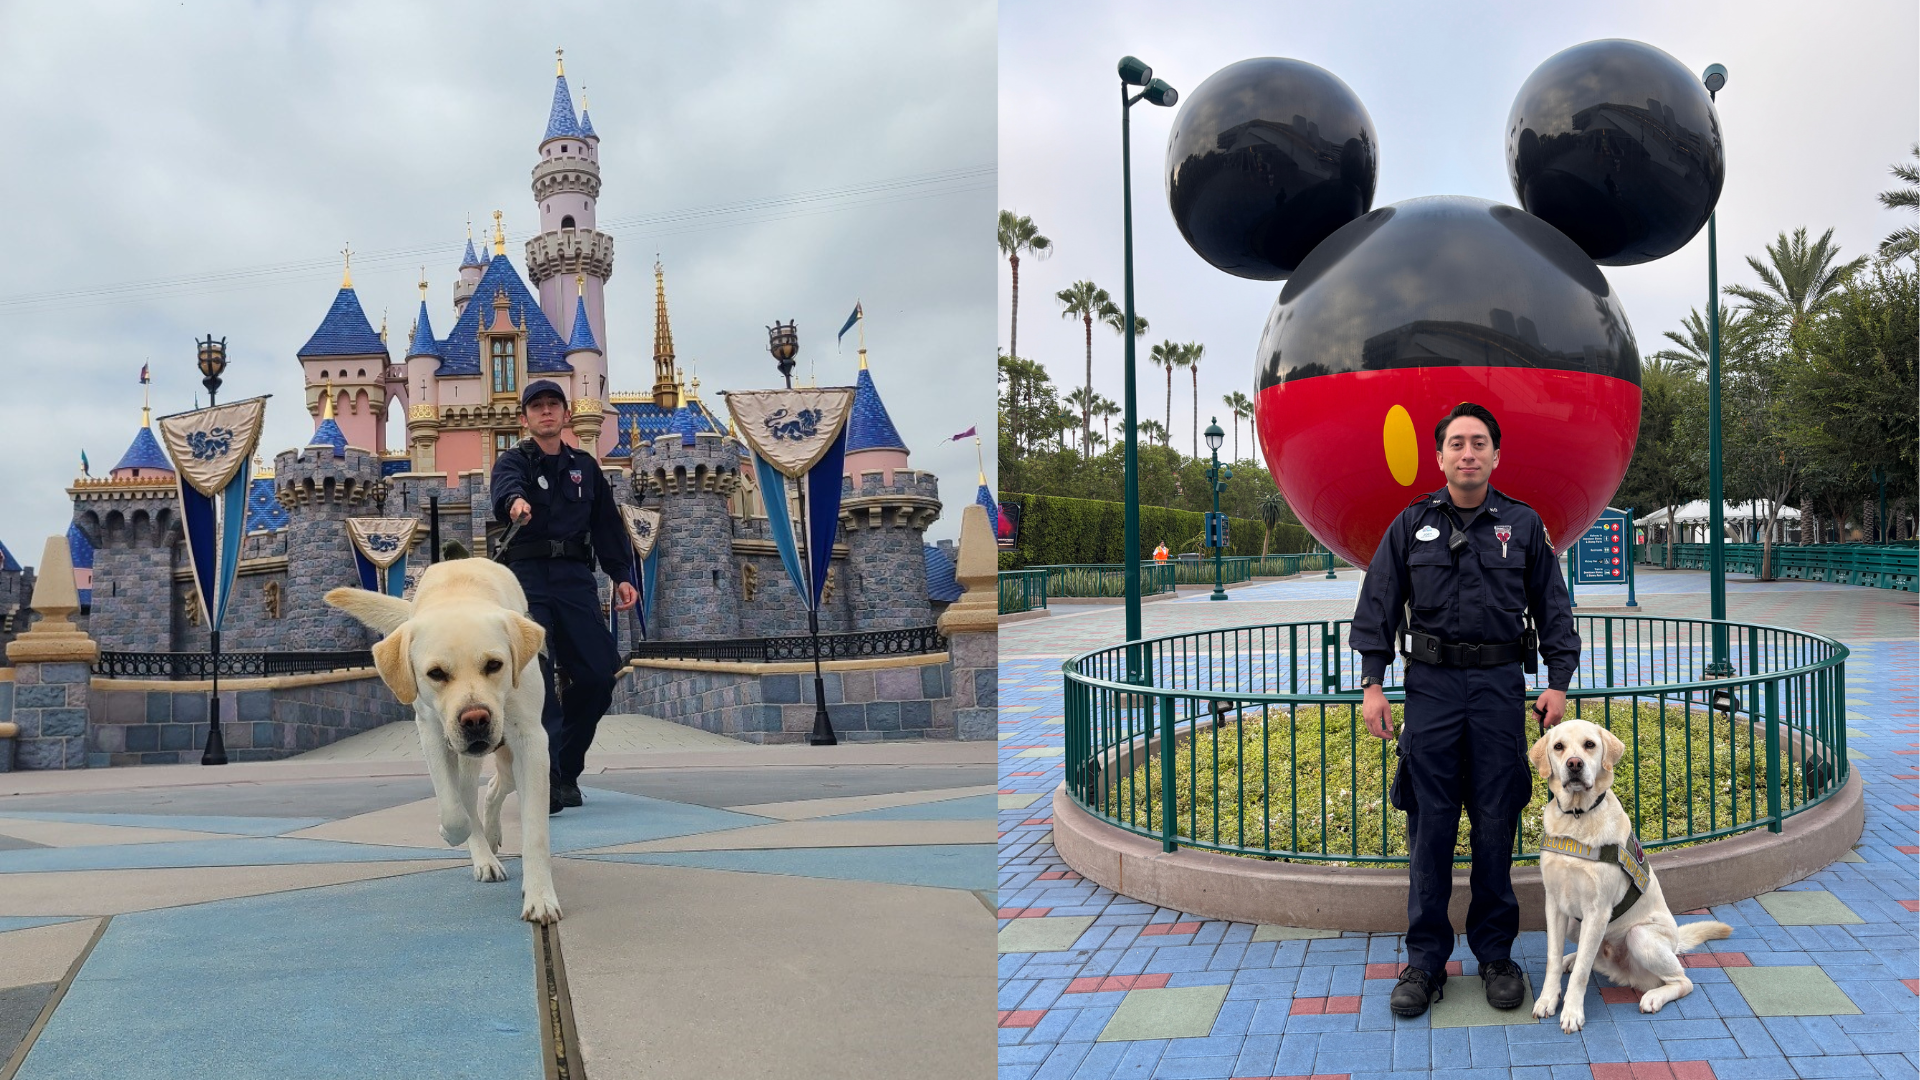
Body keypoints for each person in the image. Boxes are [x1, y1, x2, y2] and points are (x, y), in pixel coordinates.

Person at [1347, 401, 1579, 1019]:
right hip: (1433, 691)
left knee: (1497, 820)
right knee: (1430, 826)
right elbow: (1378, 607)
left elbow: (1554, 611)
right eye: (1457, 443)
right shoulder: (1411, 524)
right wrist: (1373, 685)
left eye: (1479, 443)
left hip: (1501, 690)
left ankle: (1496, 955)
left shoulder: (1523, 526)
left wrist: (1557, 682)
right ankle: (1425, 961)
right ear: (1441, 455)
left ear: (1496, 456)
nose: (1468, 453)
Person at [490, 379, 637, 814]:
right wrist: (514, 503)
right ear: (525, 419)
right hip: (528, 578)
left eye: (554, 404)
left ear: (566, 414)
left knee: (597, 674)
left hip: (575, 578)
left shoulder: (585, 468)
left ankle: (567, 768)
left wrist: (621, 574)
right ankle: (545, 778)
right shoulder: (513, 460)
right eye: (537, 407)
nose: (547, 412)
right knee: (538, 679)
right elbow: (505, 488)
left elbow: (607, 525)